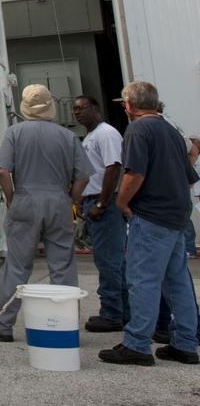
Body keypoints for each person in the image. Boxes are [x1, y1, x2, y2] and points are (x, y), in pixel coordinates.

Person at [100, 81, 200, 366]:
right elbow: (189, 172)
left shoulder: (138, 129)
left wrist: (121, 202)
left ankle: (137, 344)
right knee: (178, 282)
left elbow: (135, 174)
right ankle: (185, 343)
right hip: (176, 215)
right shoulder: (170, 129)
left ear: (129, 105)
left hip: (152, 215)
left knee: (143, 279)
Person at [0, 84, 93, 342]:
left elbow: (3, 171)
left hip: (25, 199)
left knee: (18, 266)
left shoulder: (14, 133)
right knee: (63, 266)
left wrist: (12, 198)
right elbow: (84, 176)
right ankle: (65, 325)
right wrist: (70, 200)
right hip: (58, 200)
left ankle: (2, 325)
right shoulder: (67, 136)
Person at [74, 95, 128, 332]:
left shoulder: (106, 134)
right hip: (93, 203)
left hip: (102, 204)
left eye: (81, 108)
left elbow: (113, 167)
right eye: (74, 109)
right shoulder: (91, 136)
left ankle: (112, 314)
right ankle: (124, 310)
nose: (77, 113)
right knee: (111, 261)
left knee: (108, 261)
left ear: (96, 109)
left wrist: (102, 204)